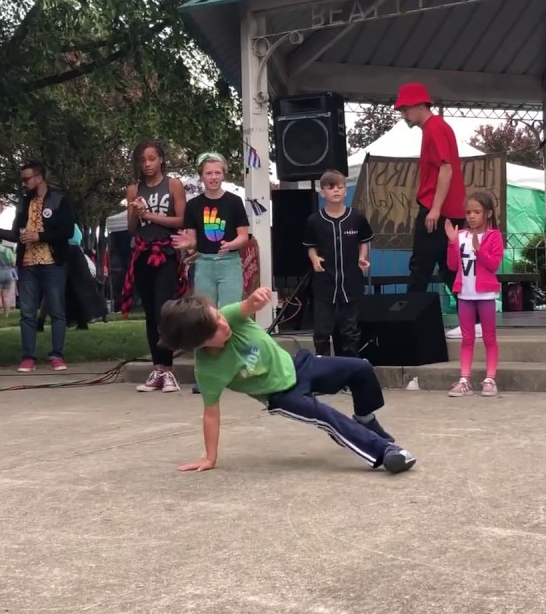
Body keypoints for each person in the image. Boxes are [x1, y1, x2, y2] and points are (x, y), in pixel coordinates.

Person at [157, 287, 416, 475]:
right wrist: (210, 457)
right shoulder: (209, 370)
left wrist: (257, 297)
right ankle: (386, 453)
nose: (224, 324)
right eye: (215, 329)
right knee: (327, 416)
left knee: (360, 368)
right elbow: (211, 414)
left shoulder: (230, 317)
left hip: (298, 365)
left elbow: (248, 305)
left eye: (219, 317)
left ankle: (365, 421)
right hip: (281, 395)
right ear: (199, 343)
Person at [0, 160, 78, 372]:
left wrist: (40, 235)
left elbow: (67, 232)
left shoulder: (60, 199)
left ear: (39, 178)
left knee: (57, 311)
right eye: (22, 180)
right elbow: (17, 234)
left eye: (27, 179)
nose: (24, 183)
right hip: (28, 265)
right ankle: (28, 357)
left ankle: (57, 355)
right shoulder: (24, 203)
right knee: (27, 312)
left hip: (53, 263)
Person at [173, 152, 249, 394]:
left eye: (217, 172)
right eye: (209, 173)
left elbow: (243, 236)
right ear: (201, 176)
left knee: (230, 317)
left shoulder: (235, 202)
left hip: (229, 263)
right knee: (203, 318)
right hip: (204, 264)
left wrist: (231, 244)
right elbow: (193, 240)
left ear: (224, 174)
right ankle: (204, 374)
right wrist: (187, 245)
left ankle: (233, 371)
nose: (213, 177)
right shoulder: (194, 206)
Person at [121, 139, 187, 393]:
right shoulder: (133, 189)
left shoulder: (173, 184)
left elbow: (181, 219)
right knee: (150, 313)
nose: (147, 164)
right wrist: (136, 213)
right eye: (143, 160)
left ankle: (168, 369)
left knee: (164, 311)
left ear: (161, 159)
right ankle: (157, 369)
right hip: (142, 254)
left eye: (151, 158)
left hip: (166, 254)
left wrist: (149, 215)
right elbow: (131, 229)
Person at [394, 83, 467, 308]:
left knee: (420, 267)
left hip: (438, 210)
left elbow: (446, 168)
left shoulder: (434, 128)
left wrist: (435, 209)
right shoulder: (436, 128)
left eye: (405, 109)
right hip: (449, 210)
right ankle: (472, 317)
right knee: (447, 267)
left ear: (418, 105)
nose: (403, 115)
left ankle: (408, 319)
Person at [303, 170, 373, 357]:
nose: (336, 191)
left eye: (340, 187)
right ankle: (324, 371)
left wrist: (362, 257)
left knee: (350, 332)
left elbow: (364, 240)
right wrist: (314, 258)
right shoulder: (314, 220)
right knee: (321, 332)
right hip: (324, 283)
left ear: (345, 191)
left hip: (351, 282)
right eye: (331, 187)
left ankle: (350, 372)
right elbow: (310, 245)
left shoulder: (356, 217)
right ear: (322, 191)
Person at [444, 191, 504, 397]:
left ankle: (490, 378)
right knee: (467, 339)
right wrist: (452, 242)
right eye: (468, 212)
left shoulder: (494, 236)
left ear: (488, 213)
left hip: (486, 295)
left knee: (489, 338)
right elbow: (452, 265)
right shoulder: (461, 236)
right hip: (465, 295)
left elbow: (494, 264)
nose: (471, 216)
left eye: (477, 212)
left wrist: (479, 251)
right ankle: (464, 379)